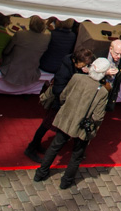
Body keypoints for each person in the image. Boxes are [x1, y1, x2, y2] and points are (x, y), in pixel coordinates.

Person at [33, 57, 111, 189]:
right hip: (82, 126)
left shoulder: (76, 78)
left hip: (67, 118)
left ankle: (40, 173)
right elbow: (98, 116)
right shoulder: (102, 91)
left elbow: (63, 95)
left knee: (54, 146)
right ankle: (66, 181)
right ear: (104, 73)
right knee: (77, 155)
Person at [26, 47, 93, 161]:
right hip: (60, 102)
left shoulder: (78, 65)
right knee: (46, 125)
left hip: (66, 101)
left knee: (47, 125)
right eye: (81, 65)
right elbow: (58, 89)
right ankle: (31, 148)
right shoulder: (65, 69)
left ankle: (35, 146)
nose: (83, 67)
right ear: (74, 61)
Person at [0, 16, 51, 86]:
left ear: (30, 24)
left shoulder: (20, 34)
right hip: (30, 71)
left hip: (11, 69)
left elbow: (6, 51)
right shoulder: (47, 39)